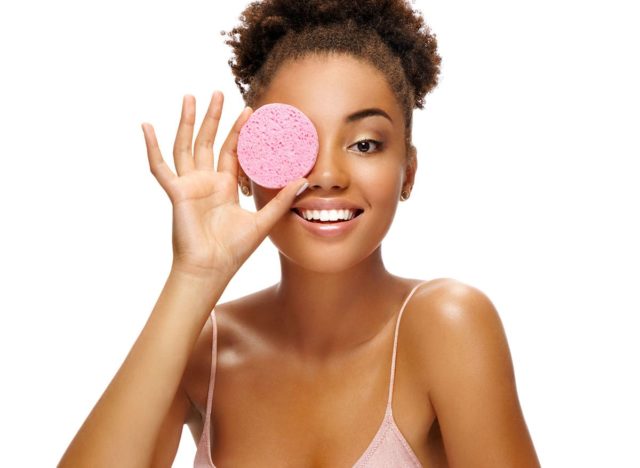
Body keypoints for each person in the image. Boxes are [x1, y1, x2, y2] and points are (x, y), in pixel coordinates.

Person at [59, 1, 540, 466]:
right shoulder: (202, 350)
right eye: (291, 142)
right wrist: (194, 275)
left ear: (408, 173)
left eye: (365, 144)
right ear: (245, 169)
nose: (326, 175)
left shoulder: (448, 325)